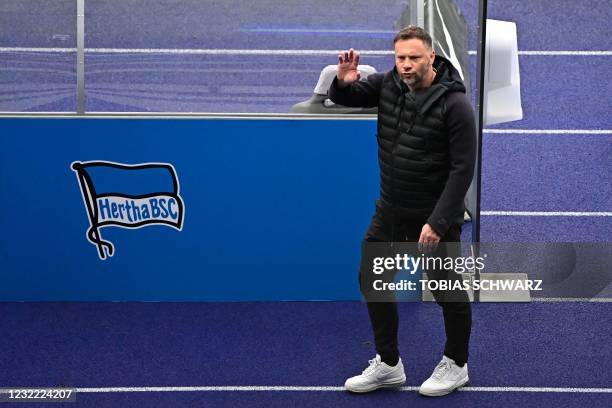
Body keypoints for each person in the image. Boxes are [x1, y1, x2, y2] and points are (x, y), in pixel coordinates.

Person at [329, 26, 476, 397]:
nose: (406, 65)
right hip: (391, 210)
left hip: (434, 218)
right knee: (372, 281)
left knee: (446, 290)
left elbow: (462, 169)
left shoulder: (454, 105)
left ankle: (456, 364)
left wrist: (439, 222)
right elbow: (348, 97)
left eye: (413, 58)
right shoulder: (388, 84)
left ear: (431, 57)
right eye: (400, 58)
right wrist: (344, 83)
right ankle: (389, 364)